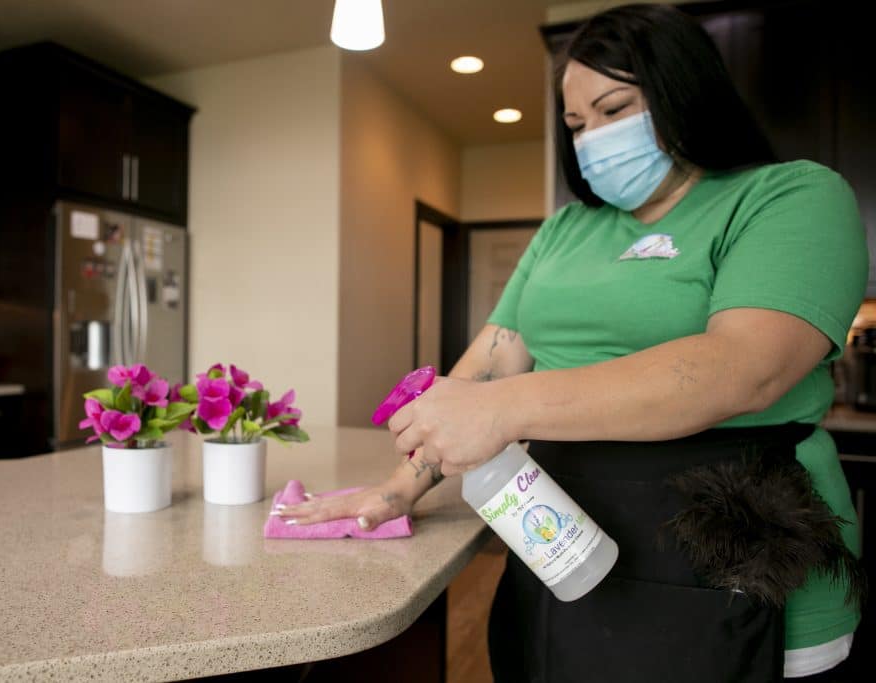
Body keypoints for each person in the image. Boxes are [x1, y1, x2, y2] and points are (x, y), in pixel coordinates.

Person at [278, 4, 866, 681]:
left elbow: (742, 368)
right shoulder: (564, 231)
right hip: (556, 542)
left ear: (684, 89)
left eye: (614, 108)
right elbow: (487, 373)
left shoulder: (788, 197)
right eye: (577, 124)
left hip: (739, 557)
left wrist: (505, 411)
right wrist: (396, 491)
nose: (592, 139)